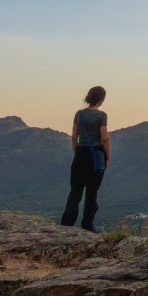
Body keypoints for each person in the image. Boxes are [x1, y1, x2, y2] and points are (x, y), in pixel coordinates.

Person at [60, 86, 110, 231]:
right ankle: (87, 225)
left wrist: (77, 153)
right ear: (101, 100)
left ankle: (67, 224)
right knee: (91, 192)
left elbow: (75, 136)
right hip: (96, 155)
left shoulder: (79, 114)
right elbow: (105, 138)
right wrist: (107, 157)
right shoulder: (101, 116)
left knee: (75, 191)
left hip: (80, 154)